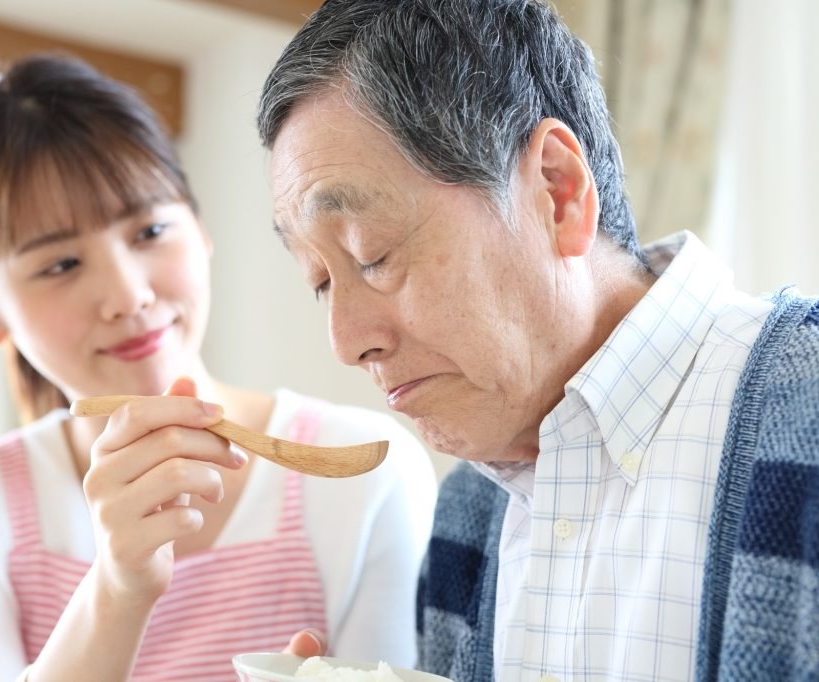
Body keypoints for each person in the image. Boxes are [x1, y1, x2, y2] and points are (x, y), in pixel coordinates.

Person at [256, 0, 819, 680]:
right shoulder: (467, 513)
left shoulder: (807, 409)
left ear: (558, 190)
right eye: (320, 280)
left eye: (371, 255)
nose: (346, 342)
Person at [0, 53, 437, 682]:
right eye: (60, 265)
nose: (128, 295)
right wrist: (119, 587)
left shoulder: (365, 474)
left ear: (200, 229)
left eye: (150, 230)